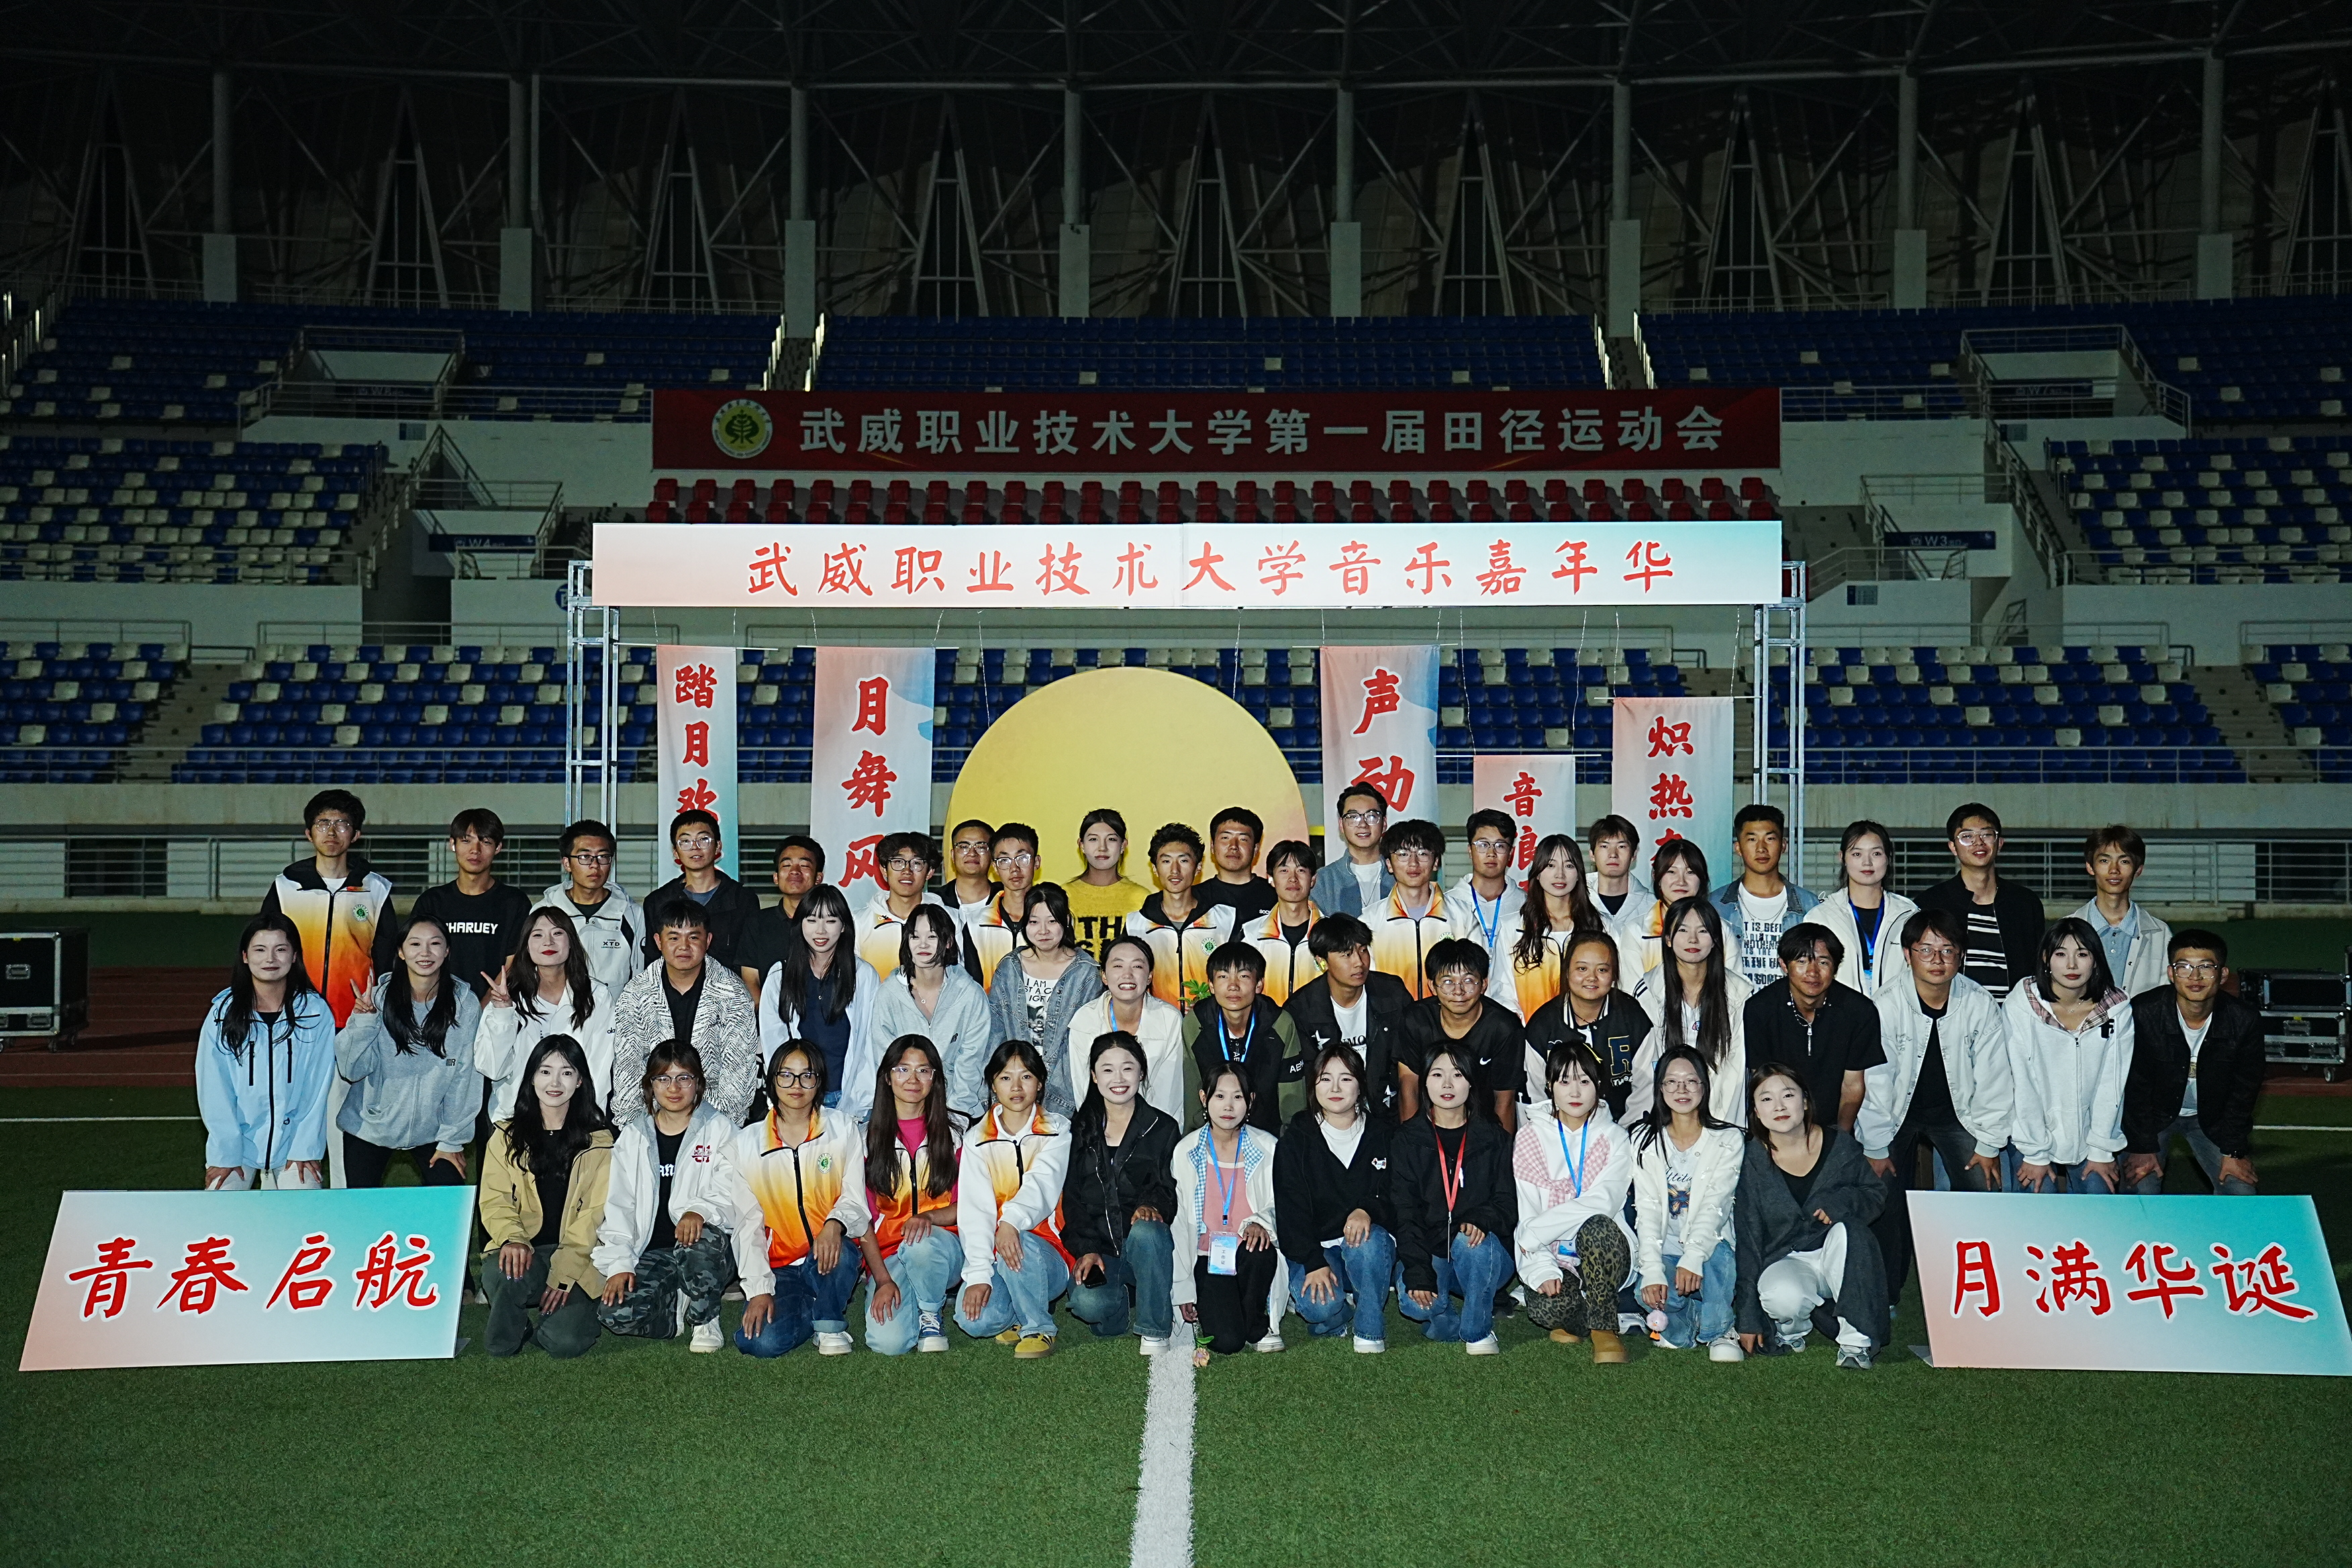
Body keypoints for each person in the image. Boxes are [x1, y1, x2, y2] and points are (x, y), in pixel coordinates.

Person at [1860, 910, 2011, 1314]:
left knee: (1984, 1189)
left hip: (1959, 1115)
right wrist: (1876, 1146)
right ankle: (1886, 1294)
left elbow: (1996, 1079)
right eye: (1926, 950)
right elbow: (1875, 1084)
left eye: (1948, 950)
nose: (1937, 960)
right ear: (1907, 955)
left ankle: (1984, 1294)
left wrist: (1989, 1143)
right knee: (1884, 1197)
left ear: (1962, 955)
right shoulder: (1885, 1005)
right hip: (1896, 1115)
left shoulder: (1979, 1003)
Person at [1734, 1065, 1888, 1369]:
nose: (1779, 1106)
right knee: (1781, 1297)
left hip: (1841, 1256)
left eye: (1788, 1095)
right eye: (1766, 1099)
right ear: (1756, 1112)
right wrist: (1748, 1316)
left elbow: (1875, 1194)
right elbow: (1748, 1237)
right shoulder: (1751, 1159)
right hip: (1787, 1257)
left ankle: (1856, 1343)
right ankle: (1794, 1330)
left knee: (1850, 1232)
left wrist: (1842, 1202)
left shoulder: (1839, 1145)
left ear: (1804, 1101)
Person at [726, 1042, 873, 1356]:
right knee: (759, 1342)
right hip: (779, 1267)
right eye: (786, 1075)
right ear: (772, 1080)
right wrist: (758, 1289)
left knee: (841, 1251)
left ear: (819, 1082)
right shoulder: (746, 1144)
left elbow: (855, 1201)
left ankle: (829, 1324)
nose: (797, 1085)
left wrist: (834, 1224)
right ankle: (814, 1307)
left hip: (830, 1256)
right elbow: (747, 1225)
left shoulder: (842, 1129)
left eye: (807, 1076)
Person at [592, 1042, 738, 1353]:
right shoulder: (633, 1136)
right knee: (615, 1315)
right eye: (663, 1079)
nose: (674, 1088)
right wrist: (620, 1263)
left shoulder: (721, 1129)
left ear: (698, 1083)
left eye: (684, 1078)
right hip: (655, 1252)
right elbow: (619, 1207)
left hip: (709, 1250)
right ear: (651, 1085)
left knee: (698, 1239)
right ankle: (675, 1311)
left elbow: (733, 1192)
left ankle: (705, 1318)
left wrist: (699, 1211)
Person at [478, 1034, 616, 1359]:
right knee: (504, 1271)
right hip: (527, 1249)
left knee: (566, 1342)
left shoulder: (601, 1143)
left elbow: (595, 1215)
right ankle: (511, 1332)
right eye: (545, 1071)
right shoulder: (505, 1137)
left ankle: (548, 1322)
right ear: (531, 1078)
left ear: (580, 1081)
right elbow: (495, 1200)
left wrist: (564, 1273)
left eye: (566, 1073)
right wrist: (513, 1239)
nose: (555, 1083)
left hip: (579, 1255)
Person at [334, 914, 481, 1189]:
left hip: (433, 1130)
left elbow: (465, 1076)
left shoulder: (465, 1004)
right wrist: (363, 1023)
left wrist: (451, 1139)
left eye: (435, 944)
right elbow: (351, 1070)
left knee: (447, 1200)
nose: (425, 953)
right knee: (361, 1210)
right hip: (371, 1125)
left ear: (447, 951)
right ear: (401, 952)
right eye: (415, 944)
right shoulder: (377, 998)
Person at [1512, 1040, 1635, 1360]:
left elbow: (1604, 1202)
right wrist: (1542, 1267)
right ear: (1550, 1085)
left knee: (1597, 1227)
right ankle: (1584, 1316)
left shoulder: (1615, 1137)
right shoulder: (1530, 1136)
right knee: (1547, 1310)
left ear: (1599, 1085)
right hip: (1553, 1252)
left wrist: (1536, 1233)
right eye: (1564, 1081)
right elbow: (1527, 1210)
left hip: (1605, 1247)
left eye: (1584, 1081)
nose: (1575, 1092)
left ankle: (1604, 1329)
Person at [197, 912, 336, 1191]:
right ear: (245, 956)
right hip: (239, 1145)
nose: (270, 959)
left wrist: (305, 1149)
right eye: (260, 950)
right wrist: (226, 1153)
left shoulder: (315, 1012)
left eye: (280, 949)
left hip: (294, 1145)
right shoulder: (222, 1014)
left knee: (303, 1208)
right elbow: (214, 1087)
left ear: (294, 956)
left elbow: (318, 1086)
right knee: (220, 1207)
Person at [1391, 1043, 1516, 1353]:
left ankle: (1477, 1331)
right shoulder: (1407, 1140)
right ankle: (1445, 1320)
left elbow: (1508, 1202)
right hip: (1431, 1250)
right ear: (1424, 1082)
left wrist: (1481, 1219)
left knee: (1471, 1243)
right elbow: (1405, 1212)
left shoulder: (1494, 1138)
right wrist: (1418, 1272)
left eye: (1458, 1075)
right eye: (1437, 1075)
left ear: (1472, 1082)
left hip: (1481, 1253)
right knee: (1416, 1304)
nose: (1447, 1084)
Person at [2122, 929, 2264, 1197]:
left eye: (2206, 967)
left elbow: (2244, 1092)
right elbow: (2134, 1087)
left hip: (2212, 1119)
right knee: (2141, 1189)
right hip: (2153, 1118)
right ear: (2171, 973)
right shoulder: (2144, 1012)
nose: (2195, 977)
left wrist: (2233, 1151)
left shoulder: (2244, 1020)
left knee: (2241, 1192)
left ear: (2223, 975)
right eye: (2184, 967)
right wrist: (2141, 1147)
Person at [955, 1040, 1075, 1358]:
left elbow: (1042, 1186)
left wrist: (1010, 1222)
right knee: (973, 1321)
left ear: (1040, 1083)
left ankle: (1038, 1327)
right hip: (1000, 1255)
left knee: (1019, 1240)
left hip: (1049, 1255)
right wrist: (979, 1274)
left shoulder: (1057, 1130)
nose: (1017, 1087)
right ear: (993, 1085)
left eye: (1026, 1077)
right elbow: (976, 1212)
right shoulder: (977, 1139)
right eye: (1006, 1078)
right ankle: (1020, 1311)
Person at [1064, 1032, 1182, 1354]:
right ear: (1094, 1076)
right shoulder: (1079, 1130)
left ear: (1141, 1072)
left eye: (1128, 1068)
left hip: (1146, 1248)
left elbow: (1168, 1187)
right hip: (1103, 1252)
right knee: (1088, 1305)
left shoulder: (1163, 1128)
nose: (1118, 1079)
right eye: (1107, 1069)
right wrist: (1087, 1249)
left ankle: (1155, 1330)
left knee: (1147, 1230)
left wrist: (1151, 1205)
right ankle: (1122, 1302)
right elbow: (1072, 1198)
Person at [1273, 1042, 1395, 1351]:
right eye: (1326, 1079)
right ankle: (1339, 1309)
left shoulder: (1385, 1134)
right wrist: (1313, 1262)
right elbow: (1290, 1211)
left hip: (1367, 1246)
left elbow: (1398, 1197)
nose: (1336, 1088)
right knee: (1320, 1308)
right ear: (1313, 1086)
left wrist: (1367, 1209)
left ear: (1361, 1085)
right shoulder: (1296, 1139)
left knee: (1369, 1242)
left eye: (1346, 1078)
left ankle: (1369, 1329)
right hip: (1320, 1248)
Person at [2004, 918, 2135, 1193]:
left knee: (2098, 1201)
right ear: (2046, 959)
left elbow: (2112, 1085)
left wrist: (2101, 1149)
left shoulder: (2117, 1009)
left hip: (2092, 1137)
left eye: (2082, 954)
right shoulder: (2022, 1004)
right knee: (2040, 1200)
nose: (2072, 965)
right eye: (2061, 954)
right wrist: (2036, 1153)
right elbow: (2022, 1083)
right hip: (2030, 1135)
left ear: (2096, 961)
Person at [1630, 1046, 1744, 1359]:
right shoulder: (1643, 1140)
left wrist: (1692, 1258)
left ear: (1704, 1087)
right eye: (1672, 1082)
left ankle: (1720, 1330)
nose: (1682, 1090)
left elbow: (1715, 1206)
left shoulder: (1727, 1139)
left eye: (1691, 1081)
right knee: (1648, 1294)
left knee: (1716, 1261)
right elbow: (1647, 1208)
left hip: (1712, 1245)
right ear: (1660, 1088)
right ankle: (1688, 1322)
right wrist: (1652, 1270)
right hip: (1666, 1247)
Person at [857, 1035, 968, 1355]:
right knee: (888, 1343)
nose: (913, 1079)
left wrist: (929, 1217)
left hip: (943, 1249)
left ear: (935, 1079)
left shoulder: (958, 1133)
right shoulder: (864, 1138)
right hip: (890, 1254)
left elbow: (969, 1205)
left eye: (924, 1070)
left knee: (921, 1244)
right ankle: (915, 1297)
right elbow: (861, 1219)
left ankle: (930, 1313)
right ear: (887, 1077)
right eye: (903, 1069)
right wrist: (882, 1279)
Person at [258, 787, 399, 1032]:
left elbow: (386, 956)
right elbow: (265, 948)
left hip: (357, 1013)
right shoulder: (286, 887)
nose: (332, 832)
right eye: (323, 823)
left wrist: (381, 1002)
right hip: (295, 1011)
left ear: (355, 835)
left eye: (342, 824)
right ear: (309, 834)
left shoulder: (376, 889)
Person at [611, 902, 762, 1128]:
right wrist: (637, 1131)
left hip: (715, 1123)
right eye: (674, 938)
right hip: (651, 1119)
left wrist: (715, 1130)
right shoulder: (636, 993)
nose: (684, 946)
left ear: (708, 941)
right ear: (658, 942)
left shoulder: (733, 993)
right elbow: (628, 1069)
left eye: (693, 937)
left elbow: (738, 1077)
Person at [1173, 1063, 1285, 1363]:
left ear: (1250, 1101)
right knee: (1227, 1342)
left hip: (1249, 1254)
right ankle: (1239, 1314)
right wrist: (1183, 1289)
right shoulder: (1186, 1151)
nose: (1228, 1106)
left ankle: (1259, 1325)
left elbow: (1284, 1205)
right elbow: (1179, 1224)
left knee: (1259, 1251)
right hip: (1208, 1258)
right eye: (1220, 1096)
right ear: (1204, 1098)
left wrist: (1260, 1222)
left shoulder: (1269, 1147)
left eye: (1237, 1097)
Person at [478, 907, 616, 1118]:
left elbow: (600, 1067)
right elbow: (492, 1069)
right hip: (514, 1117)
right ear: (526, 946)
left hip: (577, 1120)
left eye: (557, 933)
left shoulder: (597, 996)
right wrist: (503, 1014)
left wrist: (587, 1118)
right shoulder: (507, 997)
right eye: (538, 935)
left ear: (572, 941)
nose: (548, 942)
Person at [1742, 927, 1885, 1130]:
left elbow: (1852, 1086)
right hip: (1778, 1123)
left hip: (1833, 1124)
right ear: (1784, 965)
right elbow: (1763, 1083)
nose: (1813, 972)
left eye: (1823, 962)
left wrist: (1841, 1138)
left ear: (1835, 967)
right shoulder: (1760, 1009)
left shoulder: (1859, 1011)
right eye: (1802, 961)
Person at [756, 883, 880, 1116]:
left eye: (831, 921)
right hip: (799, 1097)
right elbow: (774, 1044)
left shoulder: (863, 975)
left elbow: (870, 1043)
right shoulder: (780, 975)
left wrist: (866, 1101)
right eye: (812, 920)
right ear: (800, 924)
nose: (820, 931)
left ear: (844, 926)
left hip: (851, 1095)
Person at [1628, 897, 1753, 1126]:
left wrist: (1722, 1131)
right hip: (1663, 1119)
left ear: (1716, 940)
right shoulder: (1648, 991)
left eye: (1703, 931)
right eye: (1683, 930)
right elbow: (1646, 1069)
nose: (1693, 939)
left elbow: (1734, 1075)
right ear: (1667, 938)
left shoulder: (1740, 994)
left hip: (1721, 1119)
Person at [988, 882, 1107, 1118]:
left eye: (1052, 921)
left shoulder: (1087, 973)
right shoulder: (1009, 968)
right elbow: (995, 1034)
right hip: (1014, 1092)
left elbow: (1086, 1043)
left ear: (1066, 921)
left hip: (1066, 1096)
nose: (1043, 931)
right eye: (1034, 922)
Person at [869, 903, 995, 1119]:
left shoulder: (970, 994)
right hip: (902, 1110)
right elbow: (886, 1060)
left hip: (960, 1110)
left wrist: (956, 1115)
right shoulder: (889, 993)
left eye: (932, 936)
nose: (923, 944)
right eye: (915, 937)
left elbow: (972, 1062)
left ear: (948, 942)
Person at [1284, 914, 1414, 1121]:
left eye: (1363, 950)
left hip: (1388, 1113)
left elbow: (1409, 1069)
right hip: (1328, 1118)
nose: (1359, 963)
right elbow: (1306, 1081)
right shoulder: (1301, 1010)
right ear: (1322, 961)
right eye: (1347, 954)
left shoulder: (1393, 995)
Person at [1914, 802, 2043, 998]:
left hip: (2014, 1014)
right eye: (1967, 837)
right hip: (1953, 1013)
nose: (1978, 843)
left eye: (1986, 834)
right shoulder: (1931, 903)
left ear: (2000, 843)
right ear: (1953, 847)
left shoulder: (2025, 903)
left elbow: (2038, 969)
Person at [1522, 931, 1651, 1118]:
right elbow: (1534, 1095)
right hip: (1559, 1129)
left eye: (1602, 970)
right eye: (1582, 969)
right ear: (1567, 971)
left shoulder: (1632, 1016)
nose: (1592, 977)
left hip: (1624, 1127)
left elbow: (1646, 1086)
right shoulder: (1543, 1025)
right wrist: (1555, 1130)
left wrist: (1626, 1130)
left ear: (1614, 974)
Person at [1397, 938, 1523, 1128]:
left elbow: (1504, 1100)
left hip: (1484, 1127)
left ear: (1484, 984)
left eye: (1468, 981)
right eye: (1448, 982)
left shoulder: (1504, 1027)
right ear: (1432, 986)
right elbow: (1408, 1087)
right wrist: (1412, 1139)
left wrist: (1499, 1145)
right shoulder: (1415, 1020)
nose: (1459, 991)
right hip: (1429, 1125)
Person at [407, 807, 532, 999]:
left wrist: (483, 1009)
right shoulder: (431, 902)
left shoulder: (515, 903)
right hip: (439, 1008)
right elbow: (414, 959)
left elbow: (514, 964)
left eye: (486, 842)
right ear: (453, 844)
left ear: (498, 848)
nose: (475, 850)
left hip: (495, 1008)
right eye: (466, 841)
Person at [1182, 940, 1305, 1134]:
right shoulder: (1197, 1023)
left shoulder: (1279, 1023)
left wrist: (1291, 1140)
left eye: (1244, 976)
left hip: (1267, 1135)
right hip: (1214, 1134)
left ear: (1259, 984)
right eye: (1223, 976)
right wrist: (1194, 1137)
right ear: (1211, 985)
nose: (1233, 986)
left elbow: (1292, 1093)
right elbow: (1193, 1088)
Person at [1066, 934, 1187, 1124]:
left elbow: (1170, 1094)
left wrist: (1150, 1134)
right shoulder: (1085, 1020)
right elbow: (1083, 1090)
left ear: (1150, 976)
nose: (1128, 974)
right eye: (1118, 966)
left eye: (1137, 966)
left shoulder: (1169, 1019)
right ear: (1104, 975)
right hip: (1101, 1127)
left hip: (1155, 1128)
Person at [1797, 820, 1919, 1004]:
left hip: (1897, 1017)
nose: (1867, 862)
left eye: (1876, 854)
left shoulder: (1908, 915)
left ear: (1888, 858)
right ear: (1842, 858)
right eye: (1857, 854)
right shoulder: (1821, 917)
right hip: (1839, 1016)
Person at [639, 809, 761, 990]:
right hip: (674, 997)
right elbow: (652, 962)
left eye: (703, 839)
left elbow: (750, 964)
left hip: (729, 998)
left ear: (718, 847)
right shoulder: (658, 901)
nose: (695, 847)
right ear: (675, 852)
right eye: (685, 841)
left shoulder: (743, 900)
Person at [1497, 834, 1610, 1020]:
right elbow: (1502, 992)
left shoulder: (1600, 926)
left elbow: (1615, 984)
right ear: (1537, 873)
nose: (1560, 874)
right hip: (1532, 1032)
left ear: (1579, 874)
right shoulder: (1513, 928)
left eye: (1569, 866)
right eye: (1551, 865)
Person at [1711, 804, 1820, 991]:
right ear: (1738, 848)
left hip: (1791, 1006)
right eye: (1752, 839)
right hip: (1734, 1006)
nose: (1761, 848)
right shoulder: (1716, 905)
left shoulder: (1809, 905)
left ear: (1783, 845)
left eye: (1770, 839)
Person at [1128, 823, 1236, 1010]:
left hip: (1210, 1021)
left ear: (1198, 867)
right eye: (1166, 861)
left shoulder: (1225, 920)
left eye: (1184, 861)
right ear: (1155, 868)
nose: (1175, 870)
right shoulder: (1136, 925)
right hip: (1157, 1022)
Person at [540, 820, 644, 997]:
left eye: (603, 857)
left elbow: (639, 974)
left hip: (615, 1013)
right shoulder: (545, 912)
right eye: (585, 857)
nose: (595, 865)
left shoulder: (631, 913)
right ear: (567, 863)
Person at [1617, 840, 1743, 983]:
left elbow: (1735, 988)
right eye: (1671, 872)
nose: (1681, 881)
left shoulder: (1721, 929)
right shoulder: (1636, 931)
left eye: (1690, 872)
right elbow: (1632, 990)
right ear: (1656, 876)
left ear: (1702, 878)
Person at [2073, 826, 2175, 997]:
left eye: (2124, 861)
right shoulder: (2068, 929)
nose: (2114, 870)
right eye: (2104, 861)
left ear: (2138, 870)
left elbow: (2167, 995)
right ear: (2090, 867)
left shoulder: (2161, 933)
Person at [1369, 818, 1453, 999]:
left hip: (1446, 1015)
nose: (1413, 863)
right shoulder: (1370, 921)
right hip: (1392, 1015)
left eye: (1423, 853)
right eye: (1403, 854)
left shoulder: (1463, 916)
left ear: (1436, 862)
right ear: (1389, 864)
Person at [736, 836, 826, 999]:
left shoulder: (830, 923)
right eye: (787, 865)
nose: (795, 871)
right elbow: (750, 979)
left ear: (818, 878)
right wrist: (767, 1013)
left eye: (804, 865)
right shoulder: (757, 922)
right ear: (776, 877)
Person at [856, 830, 946, 985]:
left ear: (930, 872)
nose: (907, 871)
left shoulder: (950, 920)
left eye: (916, 863)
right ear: (884, 870)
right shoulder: (858, 923)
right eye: (898, 862)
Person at [1242, 838, 1323, 1006]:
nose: (1293, 879)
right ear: (1270, 878)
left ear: (1313, 879)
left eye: (1301, 870)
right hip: (1267, 1021)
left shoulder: (1332, 935)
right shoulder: (1251, 935)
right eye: (1284, 870)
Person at [963, 823, 1042, 990]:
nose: (1014, 869)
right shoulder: (976, 924)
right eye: (1004, 860)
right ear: (995, 868)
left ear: (1036, 862)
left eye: (1022, 858)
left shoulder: (1052, 921)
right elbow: (973, 987)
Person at [1446, 810, 1526, 975]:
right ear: (1470, 850)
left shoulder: (1527, 904)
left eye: (1500, 846)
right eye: (1483, 845)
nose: (1491, 854)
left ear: (1511, 853)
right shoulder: (1449, 904)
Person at [1065, 808, 1152, 960]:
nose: (1102, 848)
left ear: (1123, 845)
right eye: (1093, 839)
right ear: (1081, 845)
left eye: (1111, 839)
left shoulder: (1142, 899)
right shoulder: (1064, 896)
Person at [1312, 781, 1393, 918]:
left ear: (1384, 823)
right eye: (1353, 817)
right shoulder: (1323, 881)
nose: (1363, 824)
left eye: (1371, 816)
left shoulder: (1400, 875)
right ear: (1341, 825)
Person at [1197, 806, 1277, 924]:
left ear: (1256, 849)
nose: (1233, 846)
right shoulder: (1195, 898)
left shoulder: (1277, 896)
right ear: (1212, 847)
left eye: (1243, 839)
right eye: (1225, 838)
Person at [1585, 814, 1649, 925]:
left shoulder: (1652, 907)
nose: (1613, 854)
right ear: (1592, 854)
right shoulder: (1576, 902)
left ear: (1634, 854)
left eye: (1621, 847)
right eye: (1604, 846)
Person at [942, 818, 999, 927]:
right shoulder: (937, 902)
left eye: (981, 847)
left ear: (992, 855)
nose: (972, 853)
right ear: (953, 855)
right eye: (964, 847)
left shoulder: (1006, 900)